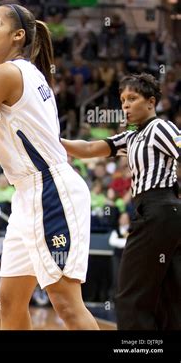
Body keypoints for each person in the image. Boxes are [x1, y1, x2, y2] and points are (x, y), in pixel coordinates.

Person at [0, 4, 99, 330]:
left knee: (67, 304)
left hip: (50, 189)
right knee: (10, 302)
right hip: (28, 195)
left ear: (18, 36)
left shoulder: (5, 73)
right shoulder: (23, 73)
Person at [61, 73, 181, 330]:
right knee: (168, 293)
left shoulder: (160, 127)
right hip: (161, 215)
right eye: (122, 100)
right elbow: (91, 149)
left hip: (158, 210)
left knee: (129, 293)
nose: (125, 105)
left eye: (132, 98)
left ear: (151, 102)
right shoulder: (132, 135)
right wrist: (51, 141)